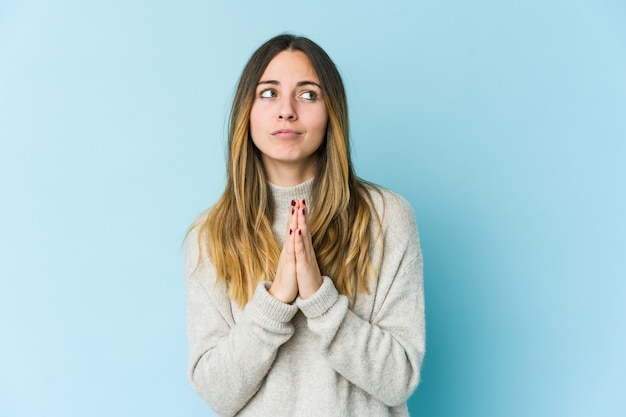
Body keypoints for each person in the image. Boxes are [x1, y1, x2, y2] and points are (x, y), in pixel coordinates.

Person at [184, 34, 425, 417]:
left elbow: (398, 379)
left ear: (332, 112)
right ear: (245, 111)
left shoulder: (386, 217)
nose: (287, 111)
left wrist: (320, 300)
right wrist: (276, 301)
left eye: (308, 94)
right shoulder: (210, 235)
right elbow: (217, 391)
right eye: (268, 93)